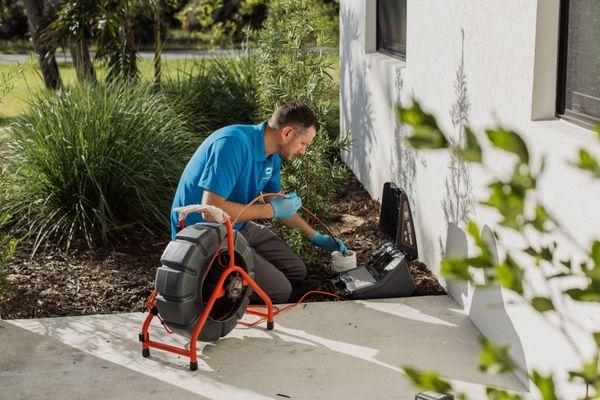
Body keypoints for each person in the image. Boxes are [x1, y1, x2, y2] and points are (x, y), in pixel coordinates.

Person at [170, 100, 347, 303]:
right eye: (303, 143)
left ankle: (247, 271)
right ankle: (212, 283)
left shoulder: (271, 155)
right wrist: (270, 210)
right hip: (204, 235)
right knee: (281, 291)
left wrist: (314, 236)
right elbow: (210, 211)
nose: (303, 151)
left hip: (236, 226)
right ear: (287, 133)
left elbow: (278, 203)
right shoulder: (232, 144)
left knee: (297, 270)